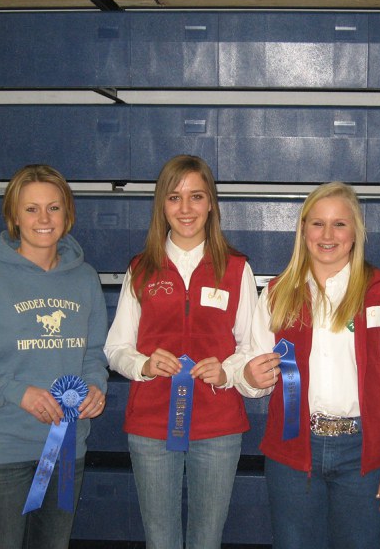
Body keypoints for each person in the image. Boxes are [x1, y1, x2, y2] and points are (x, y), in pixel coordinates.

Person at [237, 181, 380, 549]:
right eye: (317, 223)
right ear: (303, 230)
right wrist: (248, 376)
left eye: (340, 224)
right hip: (292, 448)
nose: (328, 235)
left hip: (362, 451)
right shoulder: (276, 293)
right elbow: (251, 369)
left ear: (355, 232)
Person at [0, 164, 109, 549]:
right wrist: (19, 393)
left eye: (53, 208)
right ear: (14, 216)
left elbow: (93, 354)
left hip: (65, 450)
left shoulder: (85, 280)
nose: (43, 219)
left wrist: (95, 386)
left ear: (68, 214)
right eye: (31, 209)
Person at [104, 154, 257, 549]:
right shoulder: (141, 269)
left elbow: (251, 347)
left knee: (207, 539)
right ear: (162, 206)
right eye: (174, 198)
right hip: (152, 427)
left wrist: (226, 372)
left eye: (196, 197)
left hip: (218, 427)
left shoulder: (237, 269)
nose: (185, 209)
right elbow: (116, 347)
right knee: (160, 540)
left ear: (211, 204)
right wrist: (144, 364)